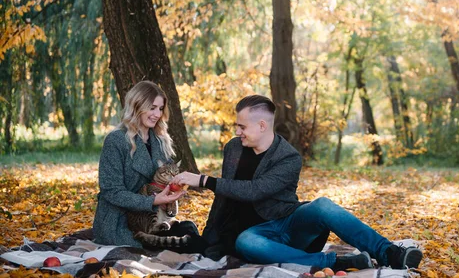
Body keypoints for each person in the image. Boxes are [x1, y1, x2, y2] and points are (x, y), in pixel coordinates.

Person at [172, 94, 423, 271]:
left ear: (261, 125)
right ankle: (334, 263)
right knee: (246, 242)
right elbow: (225, 196)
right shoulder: (234, 149)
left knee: (322, 205)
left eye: (242, 126)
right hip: (255, 236)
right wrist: (209, 236)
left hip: (288, 225)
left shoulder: (289, 156)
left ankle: (390, 253)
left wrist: (203, 180)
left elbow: (256, 190)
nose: (237, 131)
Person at [93, 80, 203, 251]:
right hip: (120, 222)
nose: (157, 114)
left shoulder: (160, 139)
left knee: (189, 230)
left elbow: (163, 184)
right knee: (189, 243)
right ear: (137, 106)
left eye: (160, 108)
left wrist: (172, 195)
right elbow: (111, 191)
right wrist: (153, 200)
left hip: (154, 218)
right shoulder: (116, 140)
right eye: (152, 108)